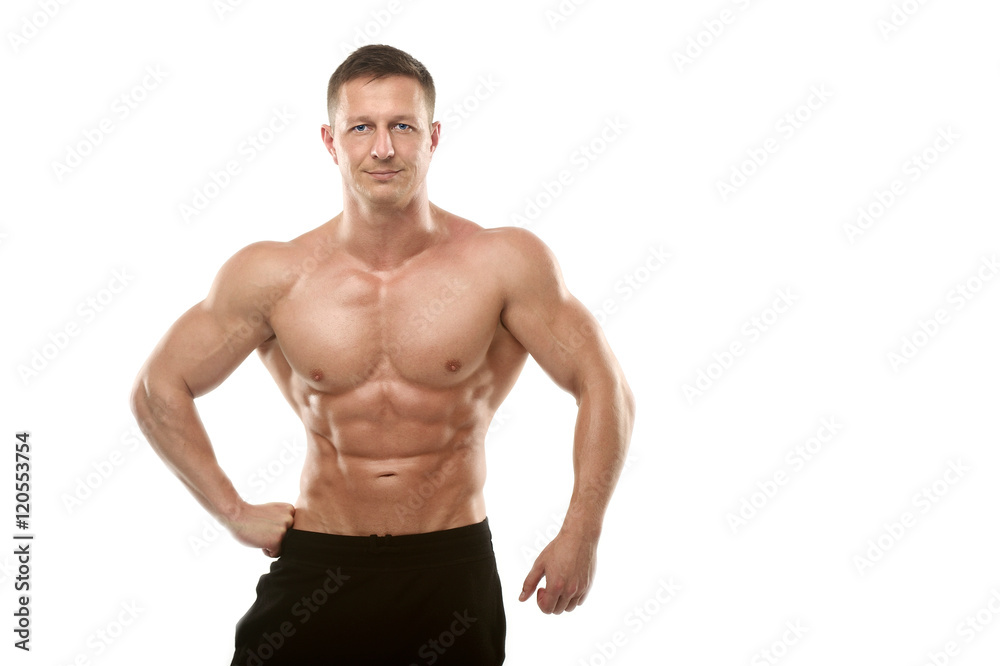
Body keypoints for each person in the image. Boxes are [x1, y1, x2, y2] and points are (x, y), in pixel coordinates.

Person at [130, 44, 635, 665]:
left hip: (448, 569)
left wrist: (581, 532)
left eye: (403, 125)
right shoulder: (274, 274)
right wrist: (232, 511)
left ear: (434, 136)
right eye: (361, 127)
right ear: (329, 139)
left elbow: (602, 381)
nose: (384, 148)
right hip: (319, 563)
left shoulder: (502, 263)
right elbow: (159, 388)